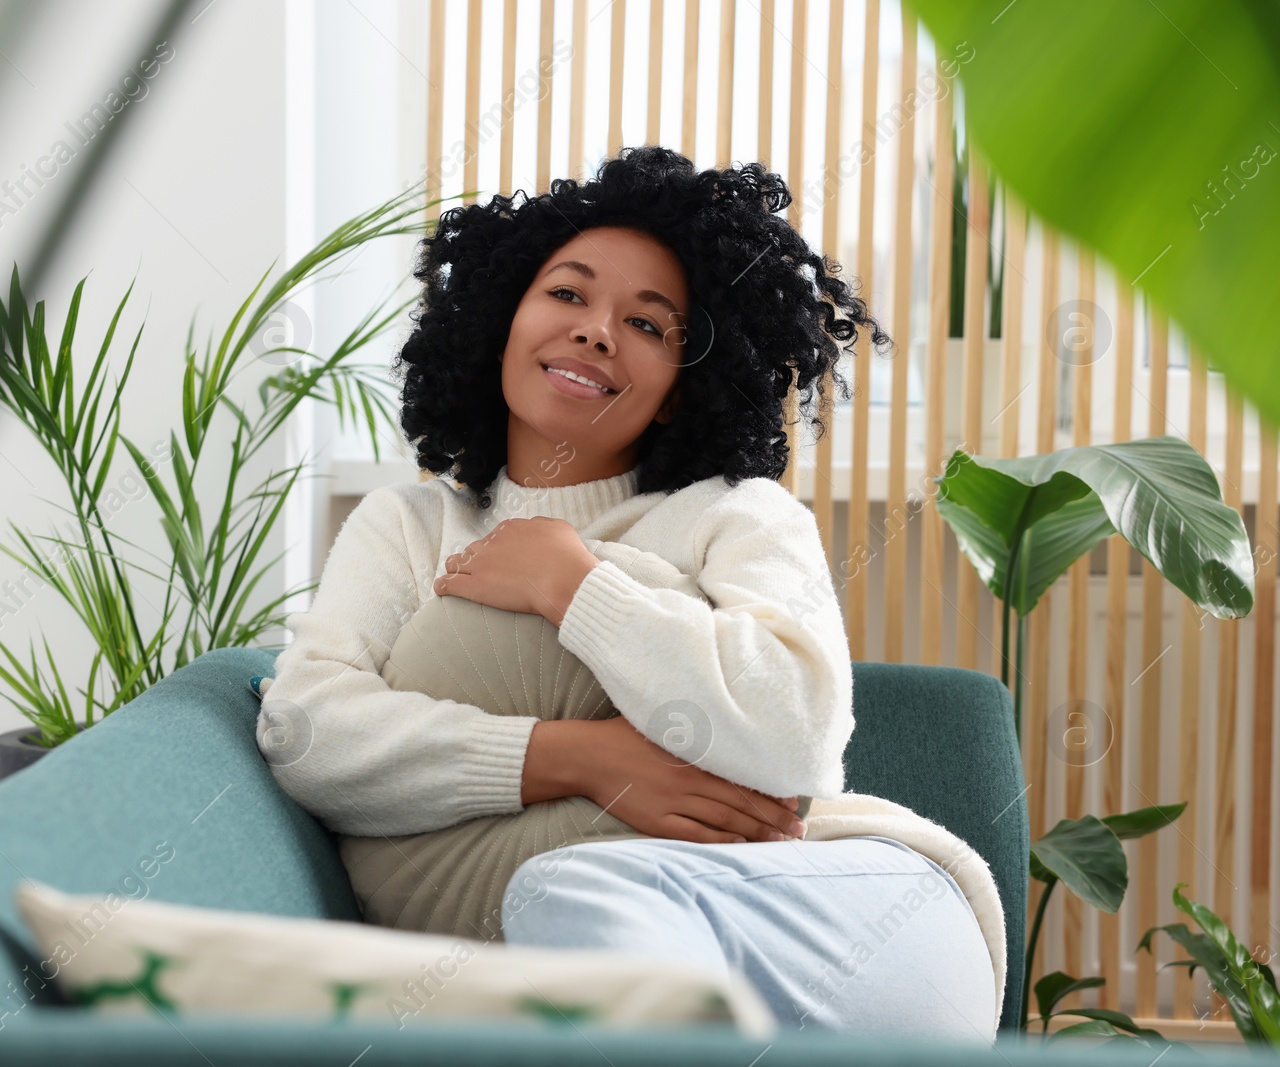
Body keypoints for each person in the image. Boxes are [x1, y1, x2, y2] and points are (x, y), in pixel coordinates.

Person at [256, 145, 1000, 1038]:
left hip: (835, 902)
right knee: (569, 892)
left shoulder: (736, 516)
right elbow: (309, 731)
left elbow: (800, 730)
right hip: (585, 941)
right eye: (566, 294)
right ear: (503, 322)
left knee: (577, 889)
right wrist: (583, 760)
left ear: (683, 393)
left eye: (649, 325)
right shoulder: (409, 528)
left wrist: (576, 586)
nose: (598, 330)